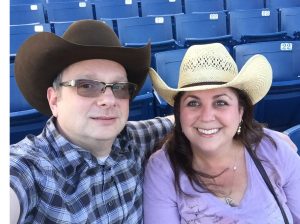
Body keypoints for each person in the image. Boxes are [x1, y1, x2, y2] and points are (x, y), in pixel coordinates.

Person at [10, 20, 174, 224]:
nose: (108, 100)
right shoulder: (30, 168)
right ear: (54, 100)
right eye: (86, 85)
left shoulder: (133, 139)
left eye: (119, 87)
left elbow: (186, 121)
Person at [143, 43, 300, 223]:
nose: (207, 116)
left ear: (240, 111)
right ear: (179, 113)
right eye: (193, 103)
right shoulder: (163, 170)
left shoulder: (275, 150)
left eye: (221, 103)